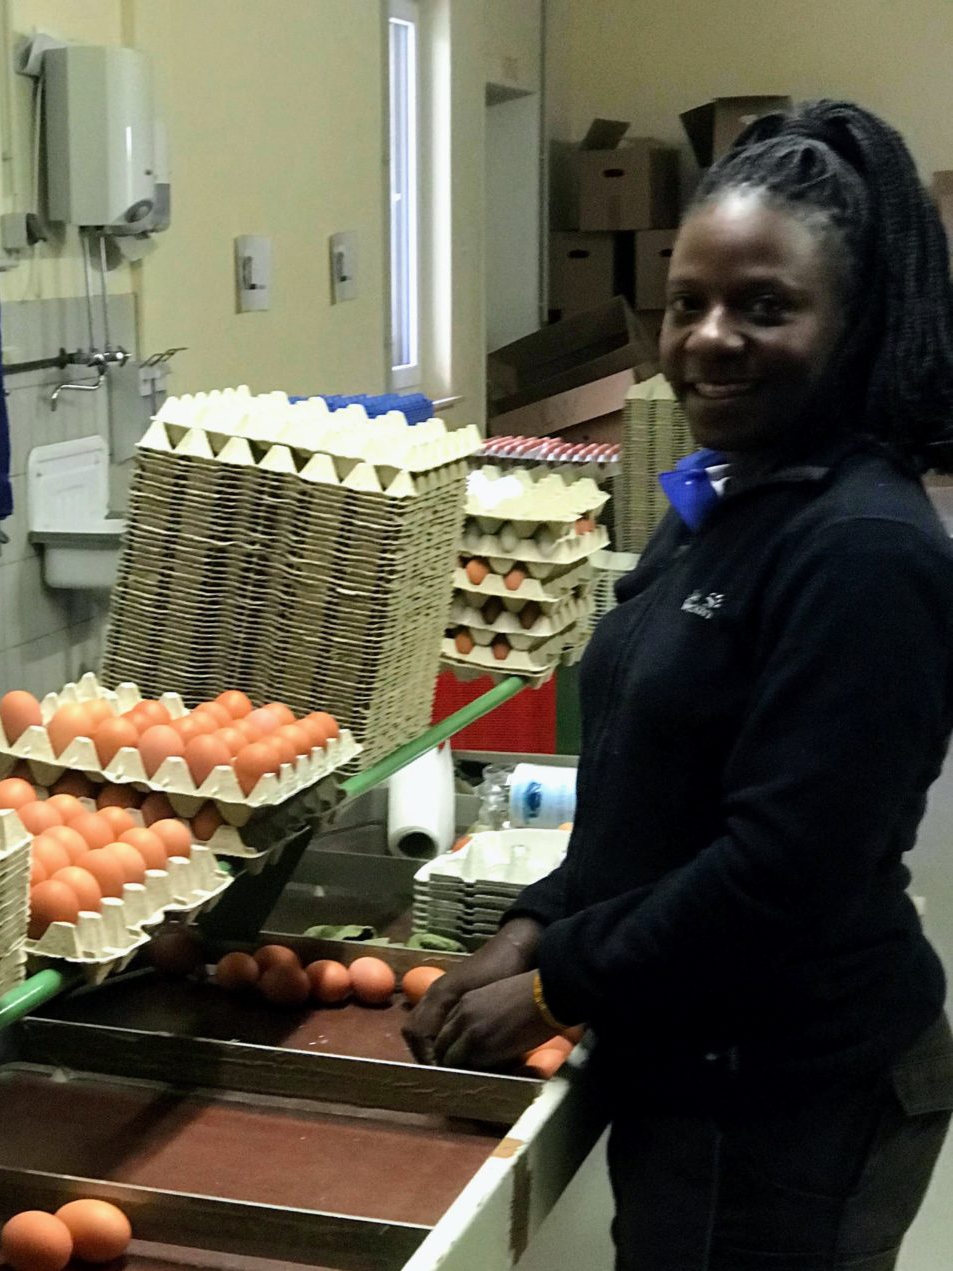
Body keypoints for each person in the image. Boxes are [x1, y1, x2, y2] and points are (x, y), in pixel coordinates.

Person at [405, 100, 953, 1270]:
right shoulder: (726, 496)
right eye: (686, 302)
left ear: (849, 324)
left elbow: (784, 869)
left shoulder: (861, 549)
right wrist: (529, 921)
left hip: (788, 1084)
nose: (708, 337)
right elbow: (648, 787)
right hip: (695, 1047)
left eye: (764, 306)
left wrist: (557, 983)